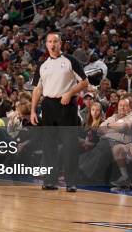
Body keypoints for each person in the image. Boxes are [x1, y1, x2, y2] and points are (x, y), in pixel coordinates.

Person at [31, 32, 89, 192]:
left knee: (70, 145)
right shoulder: (42, 65)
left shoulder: (71, 61)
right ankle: (50, 181)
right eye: (49, 41)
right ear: (46, 44)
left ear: (60, 43)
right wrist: (33, 110)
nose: (52, 44)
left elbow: (85, 82)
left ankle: (71, 182)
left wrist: (70, 93)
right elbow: (37, 89)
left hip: (67, 105)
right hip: (48, 105)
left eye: (55, 41)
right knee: (49, 146)